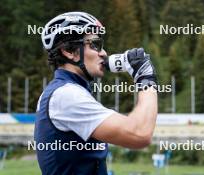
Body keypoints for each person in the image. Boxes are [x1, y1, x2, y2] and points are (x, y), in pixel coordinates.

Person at [34, 11, 157, 175]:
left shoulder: (62, 92)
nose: (104, 53)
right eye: (95, 44)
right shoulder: (66, 96)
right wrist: (146, 79)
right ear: (69, 51)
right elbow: (140, 133)